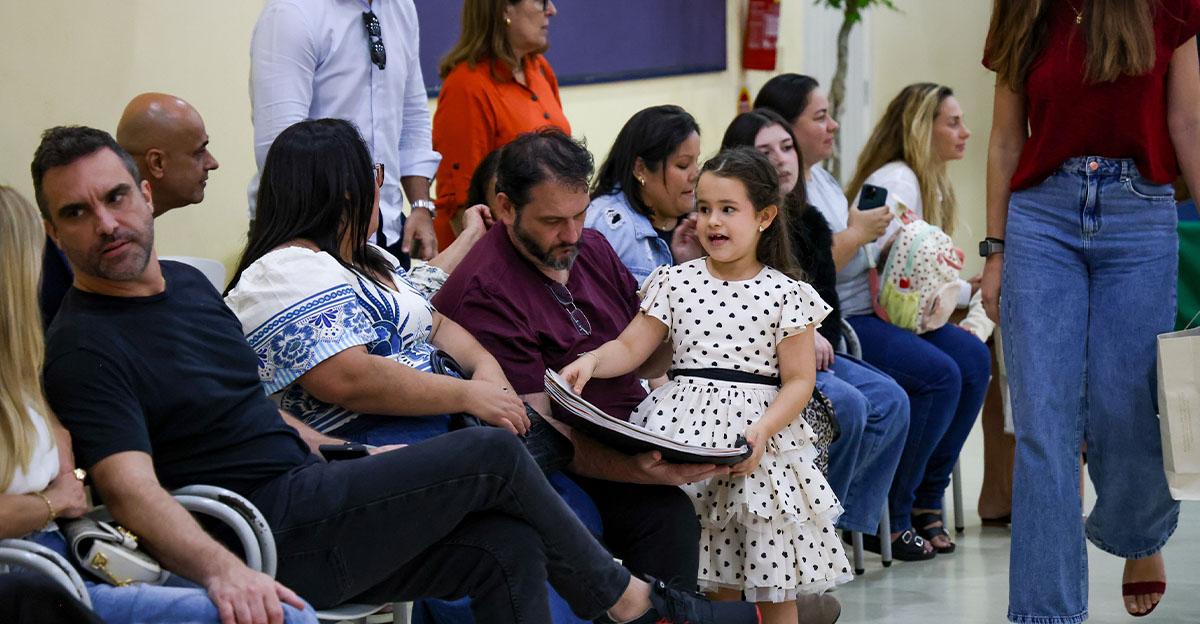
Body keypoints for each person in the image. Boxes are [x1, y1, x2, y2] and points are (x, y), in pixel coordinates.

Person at [33, 124, 759, 624]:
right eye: (78, 212)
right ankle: (633, 603)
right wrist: (223, 570)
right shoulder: (85, 345)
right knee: (493, 450)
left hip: (312, 489)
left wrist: (348, 453)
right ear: (54, 231)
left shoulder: (189, 289)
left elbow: (255, 411)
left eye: (116, 197)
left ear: (145, 195)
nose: (106, 223)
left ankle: (638, 600)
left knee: (504, 549)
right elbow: (129, 489)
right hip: (262, 530)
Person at [560, 147, 853, 624]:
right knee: (708, 580)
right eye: (704, 208)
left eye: (728, 210)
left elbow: (800, 381)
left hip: (756, 448)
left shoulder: (786, 293)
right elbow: (632, 347)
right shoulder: (674, 282)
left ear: (764, 217)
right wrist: (591, 361)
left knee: (770, 583)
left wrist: (764, 430)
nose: (711, 222)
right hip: (684, 443)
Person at [0, 185, 317, 624]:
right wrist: (52, 503)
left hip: (80, 553)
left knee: (278, 604)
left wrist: (63, 483)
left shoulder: (20, 366)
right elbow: (81, 490)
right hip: (35, 577)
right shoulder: (80, 338)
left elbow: (65, 457)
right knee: (285, 615)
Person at [433, 128, 729, 591]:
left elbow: (645, 360)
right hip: (564, 459)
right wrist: (635, 470)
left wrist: (699, 313)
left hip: (637, 431)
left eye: (580, 213)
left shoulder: (591, 246)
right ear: (506, 207)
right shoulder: (485, 290)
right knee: (658, 516)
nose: (571, 234)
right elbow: (544, 431)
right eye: (553, 221)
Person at [982, 0, 1200, 620]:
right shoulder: (1020, 10)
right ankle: (1047, 611)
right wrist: (994, 251)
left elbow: (1188, 123)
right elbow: (1004, 140)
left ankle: (1137, 535)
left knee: (1125, 405)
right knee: (1044, 427)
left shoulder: (1170, 7)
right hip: (1040, 219)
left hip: (1140, 213)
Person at [225, 119, 521, 446]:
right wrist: (469, 394)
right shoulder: (284, 270)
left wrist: (488, 372)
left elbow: (435, 325)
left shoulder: (368, 257)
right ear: (350, 192)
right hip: (373, 442)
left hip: (438, 425)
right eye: (376, 174)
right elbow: (348, 379)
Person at [720, 109, 909, 547]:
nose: (782, 160)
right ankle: (810, 536)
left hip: (819, 350)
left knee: (891, 400)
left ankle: (840, 524)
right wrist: (804, 332)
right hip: (764, 361)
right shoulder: (733, 223)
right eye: (766, 152)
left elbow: (820, 300)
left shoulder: (810, 222)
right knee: (851, 406)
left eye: (786, 147)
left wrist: (811, 329)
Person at [837, 83, 990, 558]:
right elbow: (900, 286)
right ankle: (895, 511)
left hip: (885, 313)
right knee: (942, 375)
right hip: (855, 317)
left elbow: (911, 282)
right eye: (952, 122)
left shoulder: (923, 178)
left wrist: (967, 290)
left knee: (971, 357)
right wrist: (971, 290)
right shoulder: (897, 181)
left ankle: (929, 496)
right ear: (923, 130)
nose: (965, 132)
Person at [249, 0, 438, 264]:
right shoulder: (291, 12)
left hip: (386, 231)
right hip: (312, 237)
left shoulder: (400, 6)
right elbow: (282, 151)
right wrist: (344, 242)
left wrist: (421, 206)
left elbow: (413, 115)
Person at [431, 0, 570, 248]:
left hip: (544, 242)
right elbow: (463, 206)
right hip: (495, 254)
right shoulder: (466, 85)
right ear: (505, 9)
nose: (552, 10)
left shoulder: (538, 69)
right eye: (541, 2)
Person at [586, 105, 704, 286]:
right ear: (641, 168)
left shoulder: (703, 217)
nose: (695, 174)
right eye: (683, 165)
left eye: (696, 162)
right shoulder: (609, 226)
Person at [116, 92, 220, 216]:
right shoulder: (113, 232)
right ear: (157, 163)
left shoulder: (125, 227)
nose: (213, 163)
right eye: (199, 152)